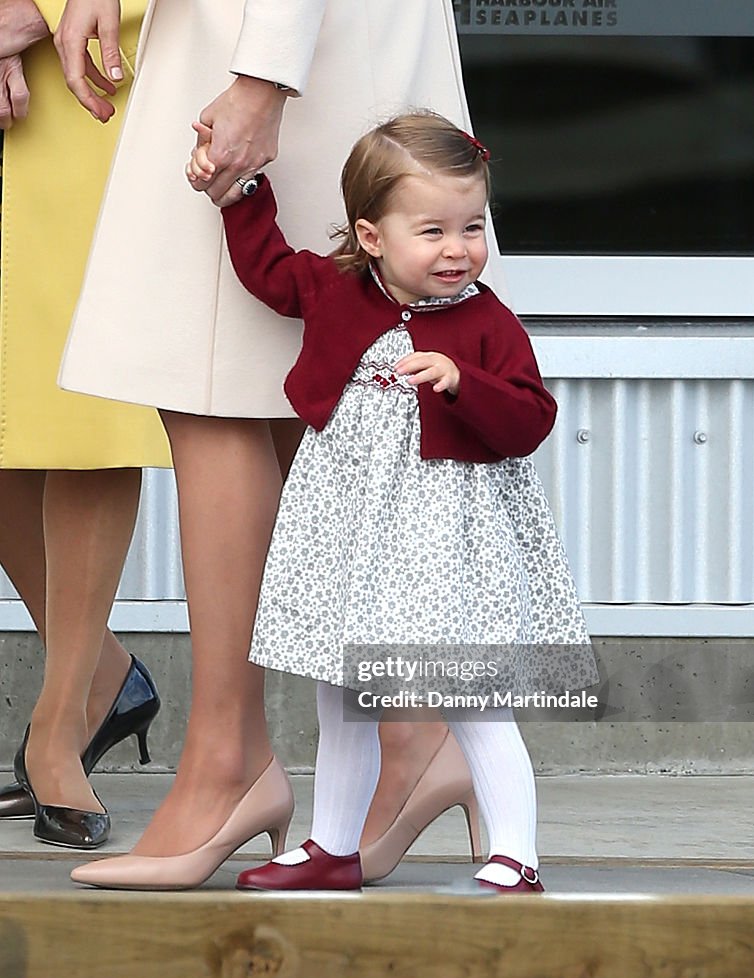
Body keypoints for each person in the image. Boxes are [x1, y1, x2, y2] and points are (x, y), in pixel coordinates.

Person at [72, 112, 594, 893]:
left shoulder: (487, 323)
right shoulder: (339, 289)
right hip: (350, 530)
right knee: (342, 691)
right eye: (433, 231)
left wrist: (464, 383)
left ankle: (516, 855)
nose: (457, 249)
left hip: (441, 541)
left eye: (472, 227)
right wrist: (240, 195)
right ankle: (332, 846)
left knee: (467, 694)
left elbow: (530, 418)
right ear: (373, 236)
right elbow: (270, 272)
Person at [55, 0, 494, 888]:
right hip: (289, 36)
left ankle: (231, 763)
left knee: (218, 391)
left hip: (276, 36)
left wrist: (263, 76)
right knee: (312, 396)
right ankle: (412, 730)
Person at [0, 0, 166, 848]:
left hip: (85, 74)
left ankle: (59, 726)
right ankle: (106, 673)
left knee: (80, 408)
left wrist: (38, 8)